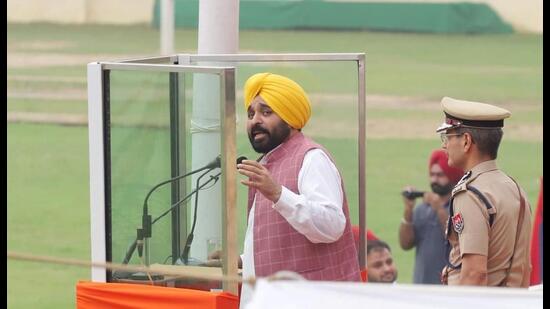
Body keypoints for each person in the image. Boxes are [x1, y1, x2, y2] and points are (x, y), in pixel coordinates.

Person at [237, 72, 361, 306]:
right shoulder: (267, 164)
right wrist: (243, 260)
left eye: (266, 112)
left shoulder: (312, 158)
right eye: (250, 113)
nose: (255, 121)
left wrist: (278, 193)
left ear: (290, 118)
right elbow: (278, 238)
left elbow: (332, 224)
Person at [437, 97, 532, 287]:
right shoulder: (514, 188)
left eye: (448, 136)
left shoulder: (471, 194)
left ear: (466, 141)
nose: (444, 145)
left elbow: (474, 273)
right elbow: (524, 267)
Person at [398, 149, 463, 284]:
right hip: (421, 288)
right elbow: (405, 244)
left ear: (452, 176)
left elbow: (457, 239)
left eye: (440, 175)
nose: (434, 179)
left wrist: (439, 208)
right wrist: (408, 210)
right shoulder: (422, 208)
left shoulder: (461, 206)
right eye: (432, 174)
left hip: (449, 288)